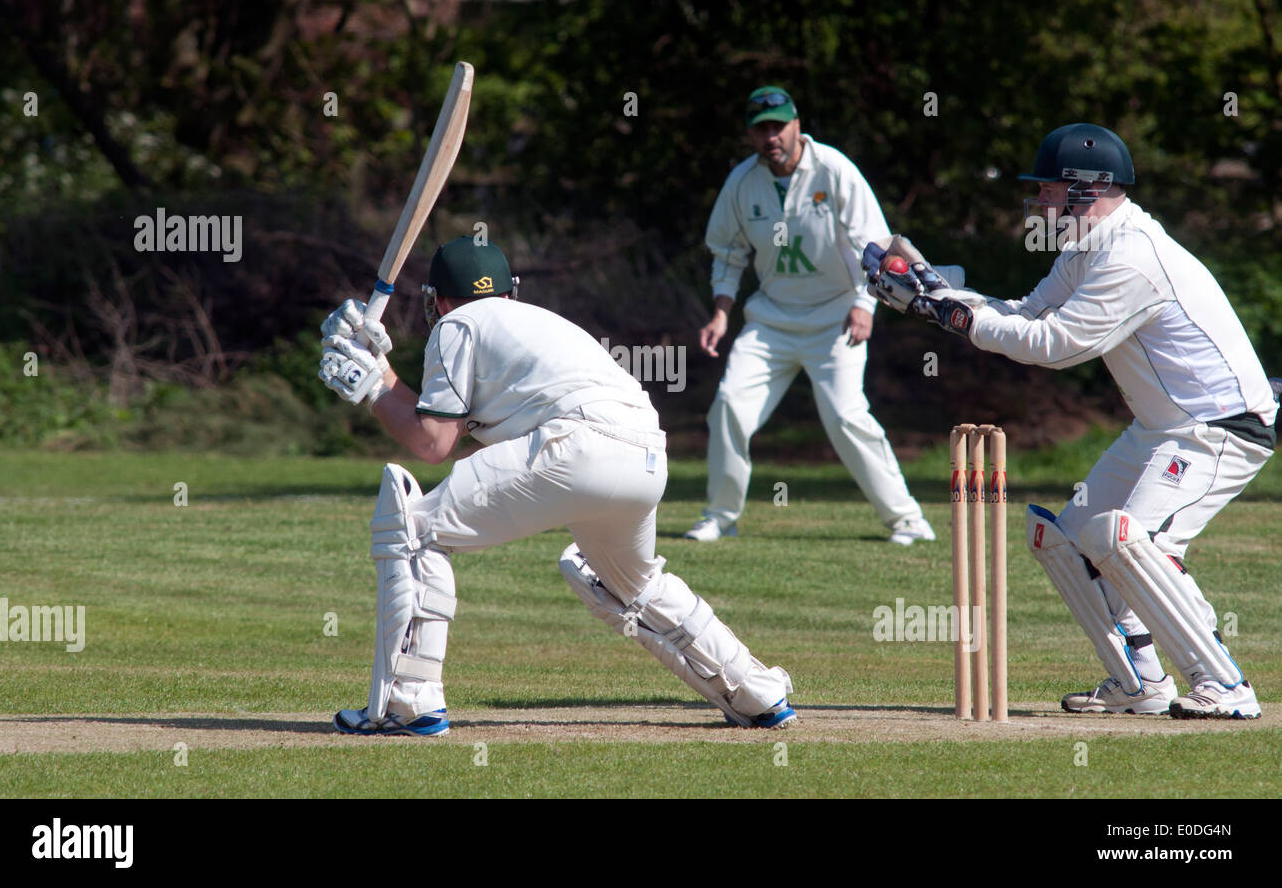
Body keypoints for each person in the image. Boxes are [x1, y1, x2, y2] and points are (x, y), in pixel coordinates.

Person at [870, 123, 1276, 719]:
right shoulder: (1086, 248)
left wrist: (954, 319)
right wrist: (945, 300)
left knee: (1134, 542)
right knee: (1067, 537)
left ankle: (1225, 685)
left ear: (1088, 188)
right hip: (1161, 427)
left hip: (1220, 428)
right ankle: (1139, 683)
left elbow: (1055, 345)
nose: (1041, 202)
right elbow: (1026, 313)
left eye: (1051, 190)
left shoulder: (1133, 255)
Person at [315, 236, 797, 735]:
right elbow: (466, 443)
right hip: (646, 457)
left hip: (578, 446)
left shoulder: (457, 324)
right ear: (509, 292)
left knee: (415, 529)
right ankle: (757, 690)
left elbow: (432, 443)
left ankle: (408, 702)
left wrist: (373, 384)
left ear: (437, 300)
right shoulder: (542, 326)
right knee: (632, 586)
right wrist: (381, 373)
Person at [685, 85, 934, 546]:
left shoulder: (833, 169)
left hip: (836, 317)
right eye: (761, 130)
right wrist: (721, 313)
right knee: (728, 407)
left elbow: (874, 245)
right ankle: (720, 515)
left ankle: (907, 520)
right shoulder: (742, 183)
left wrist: (865, 304)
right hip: (771, 321)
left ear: (797, 125)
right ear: (750, 135)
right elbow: (727, 253)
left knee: (845, 416)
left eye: (778, 126)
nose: (771, 137)